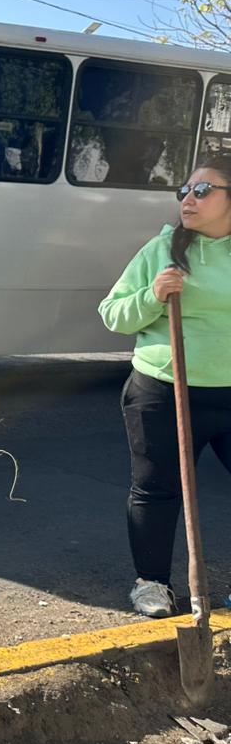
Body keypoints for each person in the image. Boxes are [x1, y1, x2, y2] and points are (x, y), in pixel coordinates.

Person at [99, 154, 231, 619]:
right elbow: (113, 314)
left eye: (202, 190)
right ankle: (152, 584)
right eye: (185, 191)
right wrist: (153, 295)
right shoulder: (162, 250)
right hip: (164, 389)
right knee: (157, 489)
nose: (188, 200)